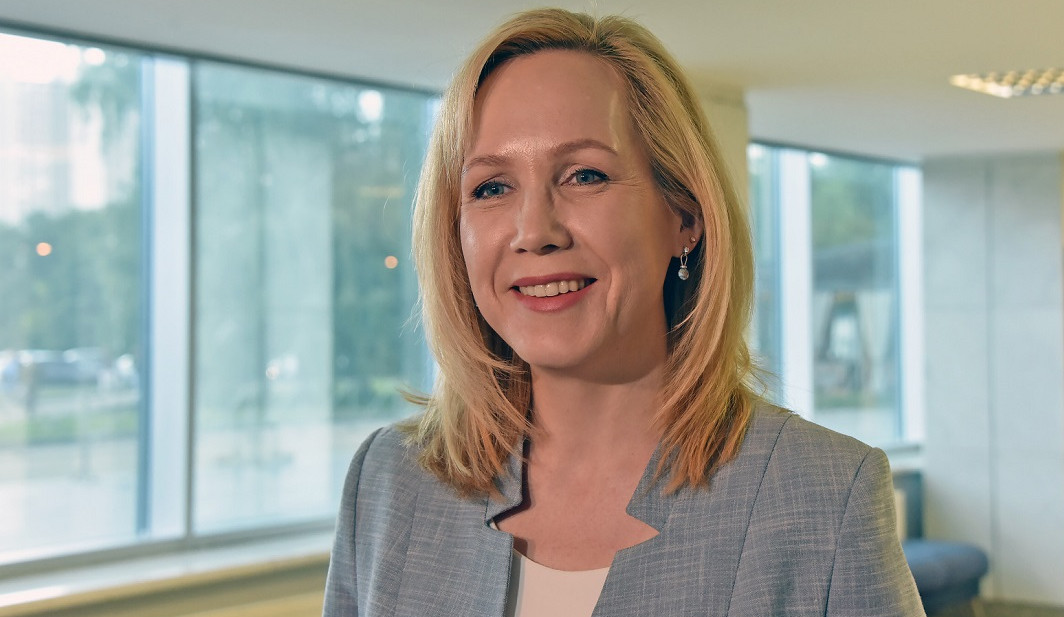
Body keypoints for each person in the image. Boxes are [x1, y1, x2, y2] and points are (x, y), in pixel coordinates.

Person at [323, 8, 923, 617]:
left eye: (585, 176)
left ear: (684, 217)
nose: (534, 232)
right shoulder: (389, 482)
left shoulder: (825, 499)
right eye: (491, 187)